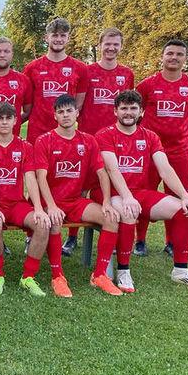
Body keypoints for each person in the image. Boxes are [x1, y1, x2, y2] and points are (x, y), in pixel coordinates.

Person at [96, 89, 188, 291]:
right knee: (128, 211)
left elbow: (165, 169)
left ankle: (180, 271)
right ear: (115, 111)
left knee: (184, 210)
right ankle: (124, 271)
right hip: (112, 193)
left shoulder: (150, 137)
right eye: (124, 108)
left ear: (141, 112)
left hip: (139, 192)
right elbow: (112, 169)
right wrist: (127, 197)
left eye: (133, 108)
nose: (128, 113)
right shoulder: (105, 134)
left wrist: (185, 196)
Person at [33, 94, 123, 297]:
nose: (65, 115)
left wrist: (107, 202)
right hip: (50, 201)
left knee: (110, 218)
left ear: (77, 113)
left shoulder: (88, 141)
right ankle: (57, 276)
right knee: (54, 221)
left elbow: (102, 173)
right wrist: (51, 206)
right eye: (61, 112)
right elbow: (40, 177)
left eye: (69, 111)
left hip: (75, 201)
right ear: (55, 116)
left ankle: (99, 275)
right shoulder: (44, 140)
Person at [61, 27, 135, 256]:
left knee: (112, 184)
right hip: (88, 139)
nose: (111, 48)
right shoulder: (87, 71)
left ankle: (116, 235)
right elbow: (79, 104)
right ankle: (72, 237)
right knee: (80, 187)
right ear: (100, 45)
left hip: (115, 142)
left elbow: (128, 108)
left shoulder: (127, 74)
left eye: (115, 44)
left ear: (121, 46)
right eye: (107, 44)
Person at [133, 40, 188, 257]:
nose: (174, 57)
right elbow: (135, 113)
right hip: (149, 152)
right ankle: (140, 240)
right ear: (162, 57)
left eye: (179, 54)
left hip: (180, 152)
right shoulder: (147, 85)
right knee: (143, 193)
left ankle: (171, 242)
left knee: (178, 196)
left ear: (185, 59)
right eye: (170, 53)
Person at [0, 103, 51, 296]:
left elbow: (30, 178)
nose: (4, 122)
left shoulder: (25, 147)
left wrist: (38, 208)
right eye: (0, 118)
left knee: (42, 224)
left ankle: (28, 277)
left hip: (16, 204)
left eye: (8, 118)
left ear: (16, 121)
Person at [22, 18, 89, 143]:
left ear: (68, 38)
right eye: (54, 35)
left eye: (63, 35)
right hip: (37, 133)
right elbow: (26, 104)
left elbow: (78, 105)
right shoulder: (32, 68)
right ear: (46, 38)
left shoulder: (80, 68)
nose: (59, 39)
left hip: (66, 134)